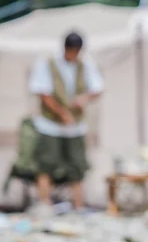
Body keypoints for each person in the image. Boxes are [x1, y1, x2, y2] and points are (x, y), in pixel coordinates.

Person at [28, 31, 103, 212]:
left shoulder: (85, 65)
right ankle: (44, 204)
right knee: (46, 164)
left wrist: (83, 99)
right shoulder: (47, 63)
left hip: (75, 127)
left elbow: (98, 87)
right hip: (49, 124)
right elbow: (42, 92)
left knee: (77, 165)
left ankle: (79, 206)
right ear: (65, 49)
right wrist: (62, 113)